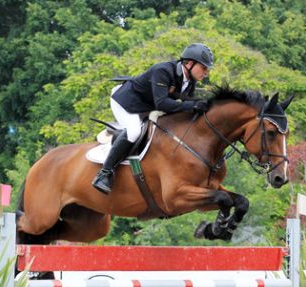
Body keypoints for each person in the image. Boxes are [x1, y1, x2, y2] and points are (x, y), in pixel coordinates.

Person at [91, 43, 215, 194]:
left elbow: (185, 102)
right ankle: (104, 173)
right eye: (204, 67)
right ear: (189, 63)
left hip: (147, 106)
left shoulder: (189, 81)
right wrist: (192, 106)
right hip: (125, 102)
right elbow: (162, 103)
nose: (206, 72)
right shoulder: (163, 71)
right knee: (134, 131)